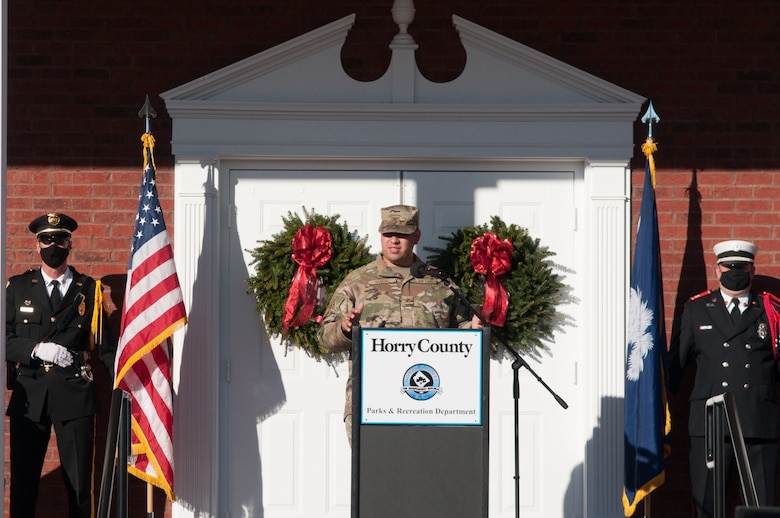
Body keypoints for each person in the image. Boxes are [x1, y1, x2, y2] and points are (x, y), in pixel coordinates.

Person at [317, 204, 481, 445]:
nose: (394, 241)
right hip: (371, 405)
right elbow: (324, 337)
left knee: (432, 478)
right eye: (388, 234)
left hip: (431, 406)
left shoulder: (439, 282)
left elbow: (457, 336)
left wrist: (474, 329)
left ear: (416, 236)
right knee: (375, 479)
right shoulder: (357, 282)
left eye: (402, 234)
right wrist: (344, 329)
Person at [5, 212, 116, 518]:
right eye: (46, 239)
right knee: (24, 484)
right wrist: (38, 348)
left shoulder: (89, 289)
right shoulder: (17, 287)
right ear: (37, 245)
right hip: (31, 396)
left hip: (75, 394)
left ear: (70, 244)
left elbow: (106, 348)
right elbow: (4, 338)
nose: (53, 245)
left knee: (80, 485)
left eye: (60, 239)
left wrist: (127, 382)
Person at [668, 239, 779, 518]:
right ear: (717, 270)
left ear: (752, 271)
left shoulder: (772, 310)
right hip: (711, 424)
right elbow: (674, 367)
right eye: (728, 266)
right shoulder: (697, 309)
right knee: (707, 505)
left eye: (741, 267)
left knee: (760, 508)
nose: (735, 271)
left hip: (758, 422)